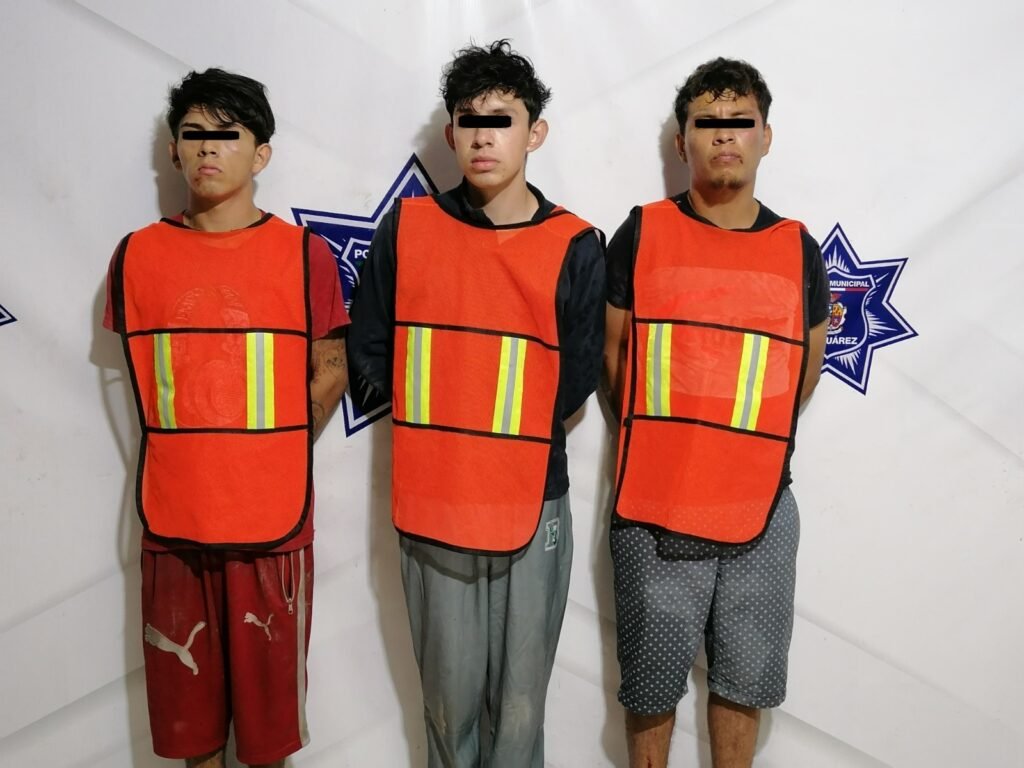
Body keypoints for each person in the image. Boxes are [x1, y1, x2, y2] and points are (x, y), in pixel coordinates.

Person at [348, 39, 605, 768]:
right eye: (469, 120)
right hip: (434, 502)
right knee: (447, 707)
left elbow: (576, 380)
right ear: (451, 132)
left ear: (535, 133)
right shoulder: (409, 229)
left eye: (501, 120)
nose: (483, 137)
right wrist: (444, 430)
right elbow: (370, 349)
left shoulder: (577, 244)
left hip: (534, 500)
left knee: (520, 713)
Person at [103, 68, 348, 768]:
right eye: (193, 134)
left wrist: (274, 451)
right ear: (174, 151)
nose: (208, 148)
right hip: (172, 525)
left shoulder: (304, 255)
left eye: (227, 134)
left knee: (267, 746)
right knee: (193, 740)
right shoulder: (136, 256)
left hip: (274, 529)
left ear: (261, 153)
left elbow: (330, 367)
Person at [603, 57, 829, 768]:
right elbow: (614, 357)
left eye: (740, 122)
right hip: (653, 505)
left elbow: (803, 371)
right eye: (707, 123)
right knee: (650, 687)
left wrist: (744, 450)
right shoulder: (641, 232)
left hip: (761, 504)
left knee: (745, 682)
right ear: (683, 141)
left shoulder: (798, 249)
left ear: (766, 136)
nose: (724, 135)